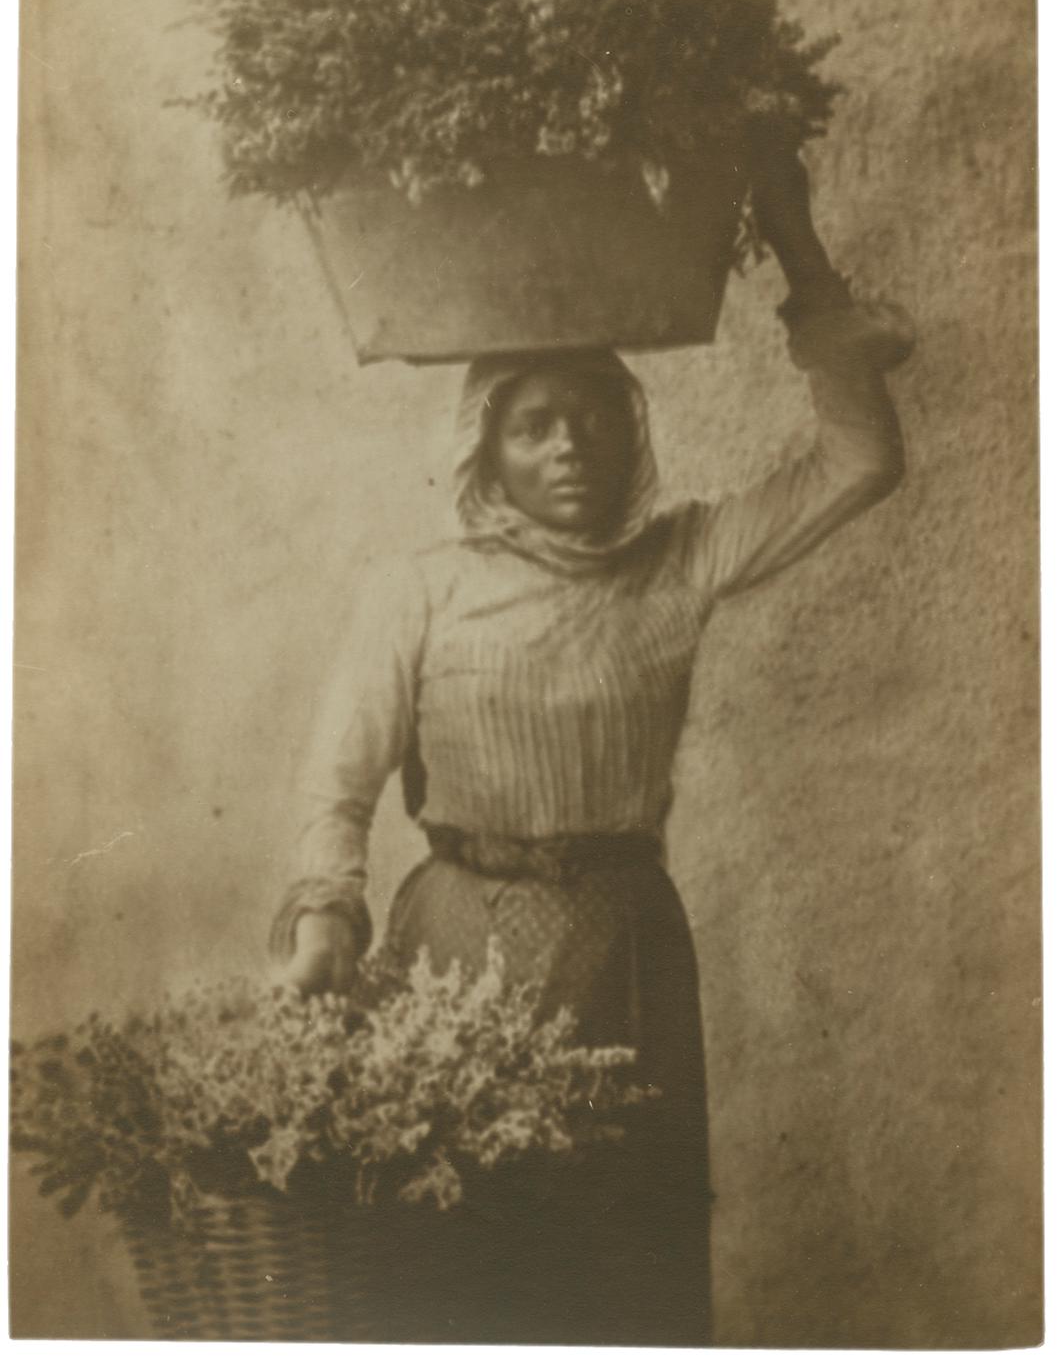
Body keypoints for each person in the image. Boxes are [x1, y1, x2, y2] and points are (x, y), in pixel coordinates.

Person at [268, 151, 914, 1346]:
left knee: (617, 1266)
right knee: (448, 1261)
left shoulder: (679, 563)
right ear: (486, 450)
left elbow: (860, 461)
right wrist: (324, 921)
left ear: (630, 436)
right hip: (452, 942)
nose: (567, 447)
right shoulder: (419, 589)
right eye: (534, 426)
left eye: (592, 420)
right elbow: (339, 782)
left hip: (625, 951)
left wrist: (794, 245)